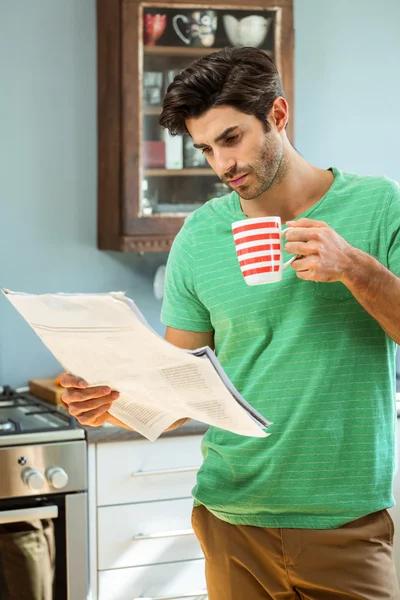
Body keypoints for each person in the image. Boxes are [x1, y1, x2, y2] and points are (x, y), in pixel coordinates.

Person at [60, 47, 400, 599]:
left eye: (232, 138)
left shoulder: (378, 206)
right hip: (231, 519)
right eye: (205, 149)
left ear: (278, 116)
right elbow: (182, 386)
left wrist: (355, 269)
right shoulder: (198, 237)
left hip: (344, 524)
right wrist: (113, 403)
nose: (222, 165)